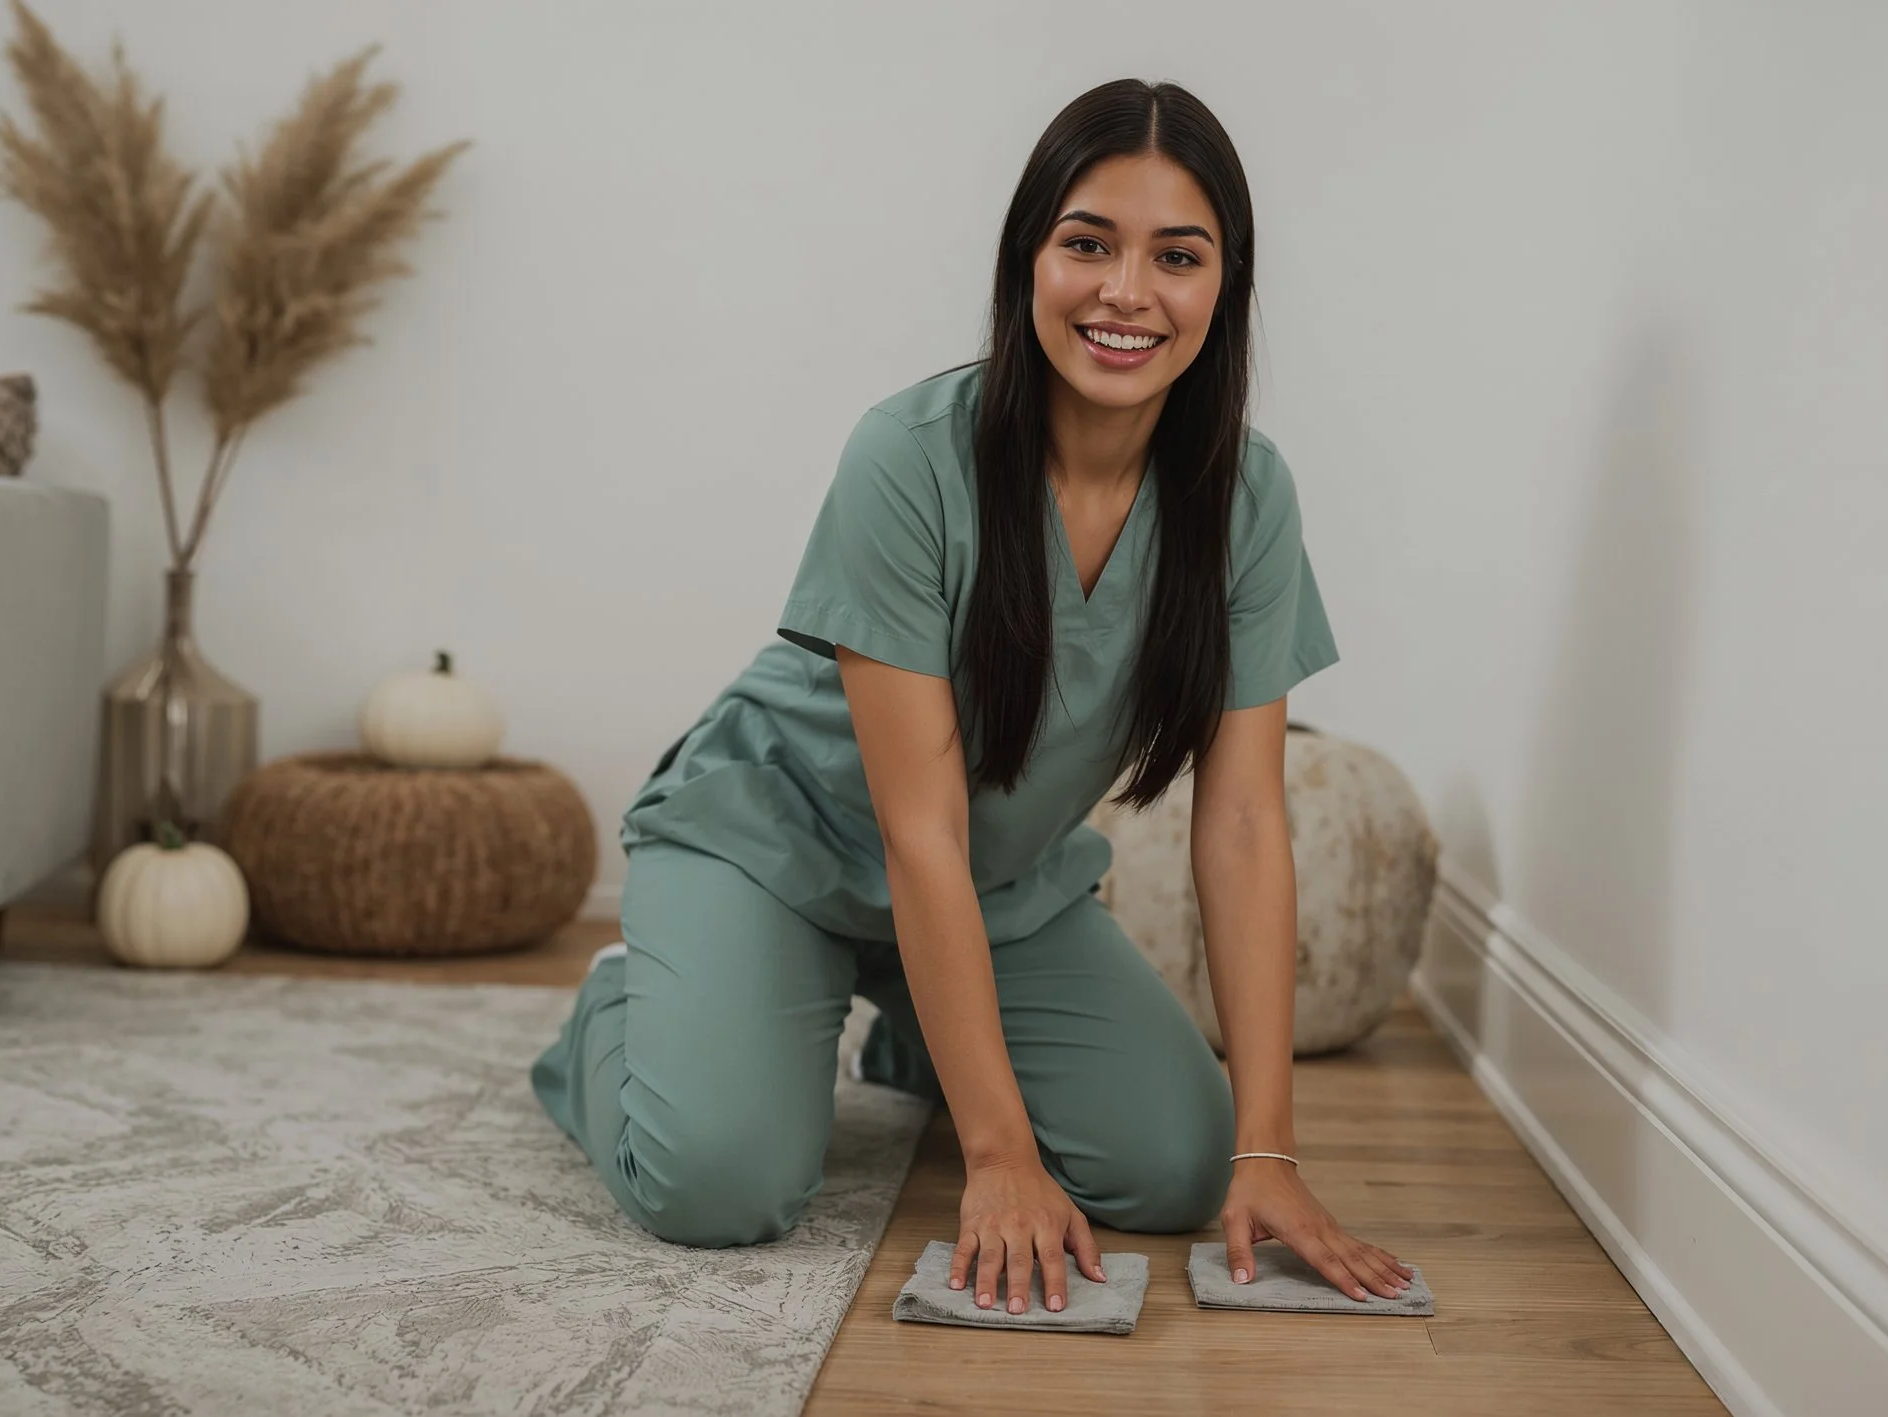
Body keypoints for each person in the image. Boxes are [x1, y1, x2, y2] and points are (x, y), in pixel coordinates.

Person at [531, 76, 1413, 1316]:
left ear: (1228, 285)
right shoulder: (905, 456)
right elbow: (916, 828)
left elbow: (1246, 823)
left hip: (989, 884)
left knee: (1170, 1163)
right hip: (777, 842)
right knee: (719, 1185)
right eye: (1087, 244)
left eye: (1178, 255)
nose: (1126, 292)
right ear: (1027, 261)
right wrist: (998, 1158)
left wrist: (1267, 1151)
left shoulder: (1248, 502)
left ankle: (913, 1036)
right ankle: (623, 1013)